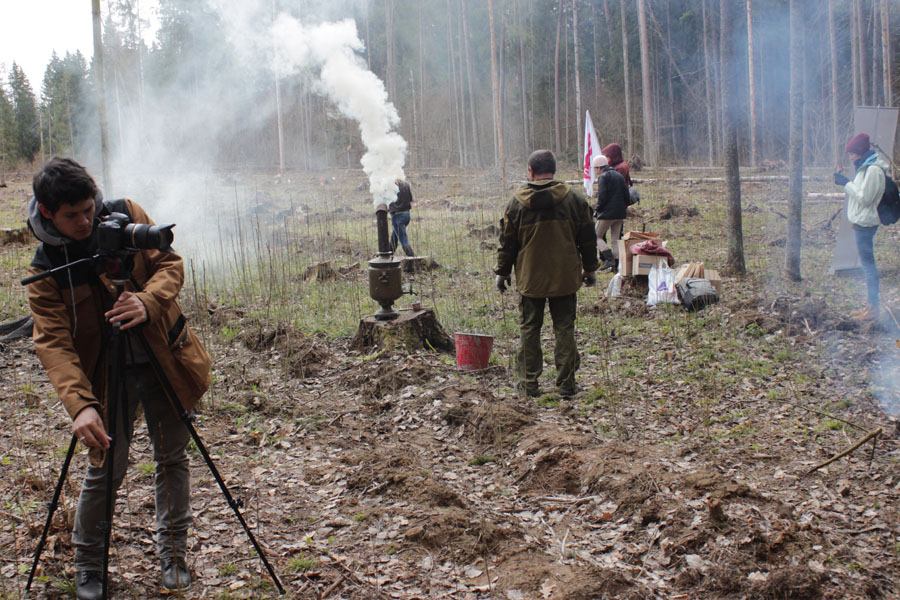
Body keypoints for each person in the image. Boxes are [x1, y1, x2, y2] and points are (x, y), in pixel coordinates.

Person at [25, 157, 211, 599]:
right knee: (107, 467)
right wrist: (81, 406)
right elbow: (52, 343)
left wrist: (148, 301)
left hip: (165, 357)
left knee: (172, 457)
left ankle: (174, 554)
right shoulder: (45, 266)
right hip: (104, 376)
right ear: (47, 211)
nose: (85, 221)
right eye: (72, 215)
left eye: (89, 209)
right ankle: (89, 565)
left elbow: (170, 263)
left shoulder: (125, 213)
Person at [495, 150, 598, 398]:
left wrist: (502, 272)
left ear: (530, 171)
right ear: (554, 170)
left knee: (529, 329)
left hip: (531, 279)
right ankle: (567, 385)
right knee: (564, 328)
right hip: (565, 277)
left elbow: (507, 243)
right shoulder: (573, 199)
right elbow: (588, 239)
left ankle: (529, 385)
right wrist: (590, 269)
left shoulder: (516, 203)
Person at [833, 133, 885, 320]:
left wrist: (846, 183)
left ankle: (873, 309)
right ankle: (869, 307)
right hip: (861, 222)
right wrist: (846, 182)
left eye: (852, 153)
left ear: (860, 152)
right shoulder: (864, 168)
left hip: (866, 223)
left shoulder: (873, 171)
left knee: (869, 268)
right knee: (867, 267)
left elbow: (864, 198)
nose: (850, 157)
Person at [592, 154, 629, 272]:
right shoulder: (619, 175)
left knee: (595, 236)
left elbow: (602, 197)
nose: (595, 171)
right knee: (615, 240)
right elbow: (626, 195)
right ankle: (617, 266)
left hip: (607, 214)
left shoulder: (603, 177)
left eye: (595, 169)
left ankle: (608, 259)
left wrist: (597, 209)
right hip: (620, 213)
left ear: (599, 168)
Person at [389, 178, 415, 256]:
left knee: (404, 241)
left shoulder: (390, 185)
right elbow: (410, 199)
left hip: (397, 216)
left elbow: (387, 200)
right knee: (394, 238)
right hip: (406, 215)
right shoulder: (406, 184)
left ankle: (413, 259)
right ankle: (389, 255)